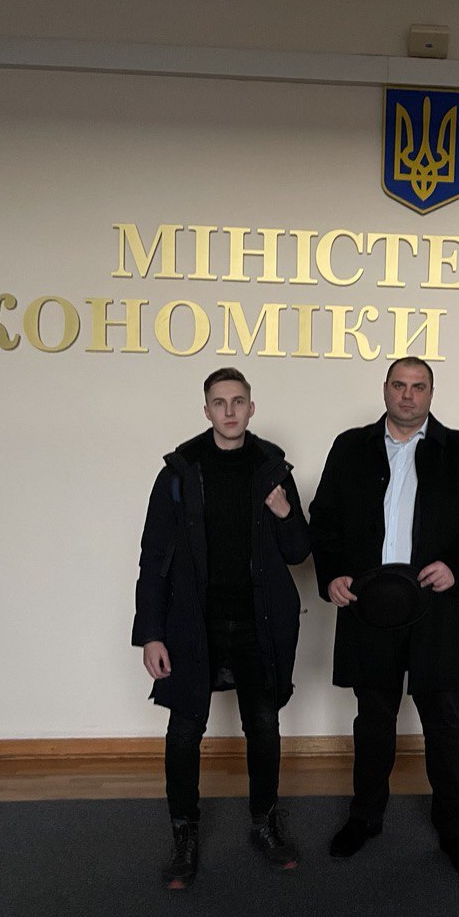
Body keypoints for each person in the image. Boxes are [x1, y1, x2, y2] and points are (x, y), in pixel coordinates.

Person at [309, 357, 459, 880]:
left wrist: (457, 565)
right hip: (369, 605)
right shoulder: (350, 447)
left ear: (431, 393)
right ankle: (365, 817)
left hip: (437, 606)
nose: (408, 395)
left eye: (418, 387)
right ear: (385, 389)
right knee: (373, 719)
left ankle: (456, 829)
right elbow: (323, 519)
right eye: (399, 385)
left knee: (445, 721)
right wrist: (332, 573)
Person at [131, 367, 311, 889]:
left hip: (258, 620)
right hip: (194, 622)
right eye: (219, 402)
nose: (229, 411)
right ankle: (184, 833)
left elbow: (299, 552)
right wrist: (151, 633)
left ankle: (265, 823)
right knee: (185, 729)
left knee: (264, 724)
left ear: (251, 408)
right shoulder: (179, 471)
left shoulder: (273, 469)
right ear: (206, 410)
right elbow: (152, 558)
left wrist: (284, 512)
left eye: (238, 401)